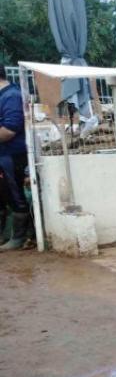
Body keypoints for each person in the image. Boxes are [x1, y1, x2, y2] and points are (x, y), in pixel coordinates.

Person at [0, 75, 30, 252]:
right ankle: (5, 234)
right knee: (2, 193)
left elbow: (10, 129)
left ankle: (19, 237)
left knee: (14, 193)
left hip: (12, 154)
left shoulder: (12, 96)